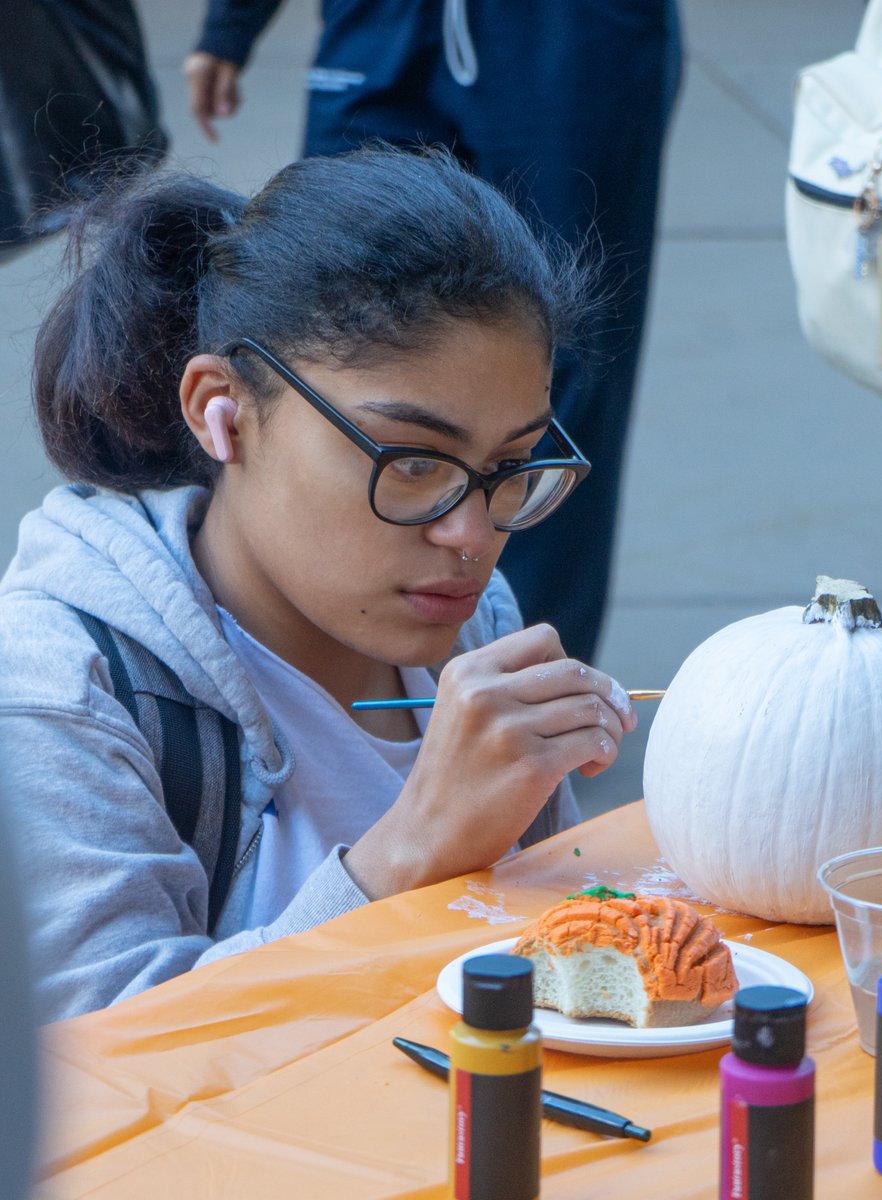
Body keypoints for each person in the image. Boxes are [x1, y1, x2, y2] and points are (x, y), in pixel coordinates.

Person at [0, 146, 637, 1023]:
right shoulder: (66, 687)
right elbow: (100, 1070)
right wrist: (408, 854)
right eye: (411, 462)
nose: (471, 533)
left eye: (513, 465)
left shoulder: (475, 624)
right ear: (219, 409)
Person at [183, 0, 683, 664]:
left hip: (569, 31)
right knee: (320, 349)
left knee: (560, 368)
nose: (469, 535)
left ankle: (524, 681)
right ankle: (307, 675)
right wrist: (231, 25)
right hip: (383, 19)